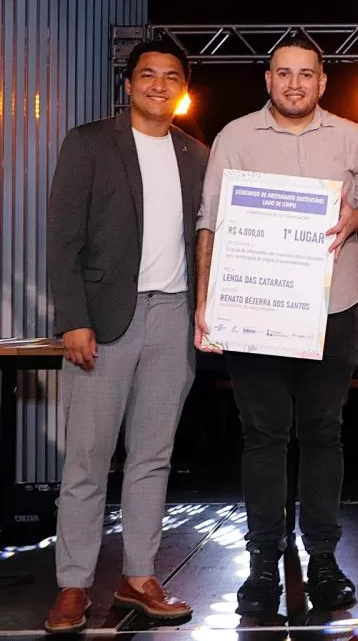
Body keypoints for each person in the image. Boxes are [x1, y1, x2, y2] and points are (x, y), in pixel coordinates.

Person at [194, 35, 358, 614]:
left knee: (324, 434)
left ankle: (323, 559)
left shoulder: (352, 136)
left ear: (323, 81)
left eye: (306, 73)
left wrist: (357, 216)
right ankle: (263, 565)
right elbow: (210, 222)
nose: (295, 83)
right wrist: (205, 301)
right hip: (257, 312)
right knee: (263, 437)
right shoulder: (235, 136)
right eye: (284, 73)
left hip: (334, 310)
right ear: (268, 79)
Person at [44, 39, 208, 633]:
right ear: (129, 84)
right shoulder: (89, 143)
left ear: (183, 88)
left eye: (171, 77)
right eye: (148, 75)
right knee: (87, 461)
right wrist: (73, 319)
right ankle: (72, 586)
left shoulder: (198, 154)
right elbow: (62, 238)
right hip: (104, 321)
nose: (159, 85)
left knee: (152, 458)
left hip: (174, 317)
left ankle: (139, 577)